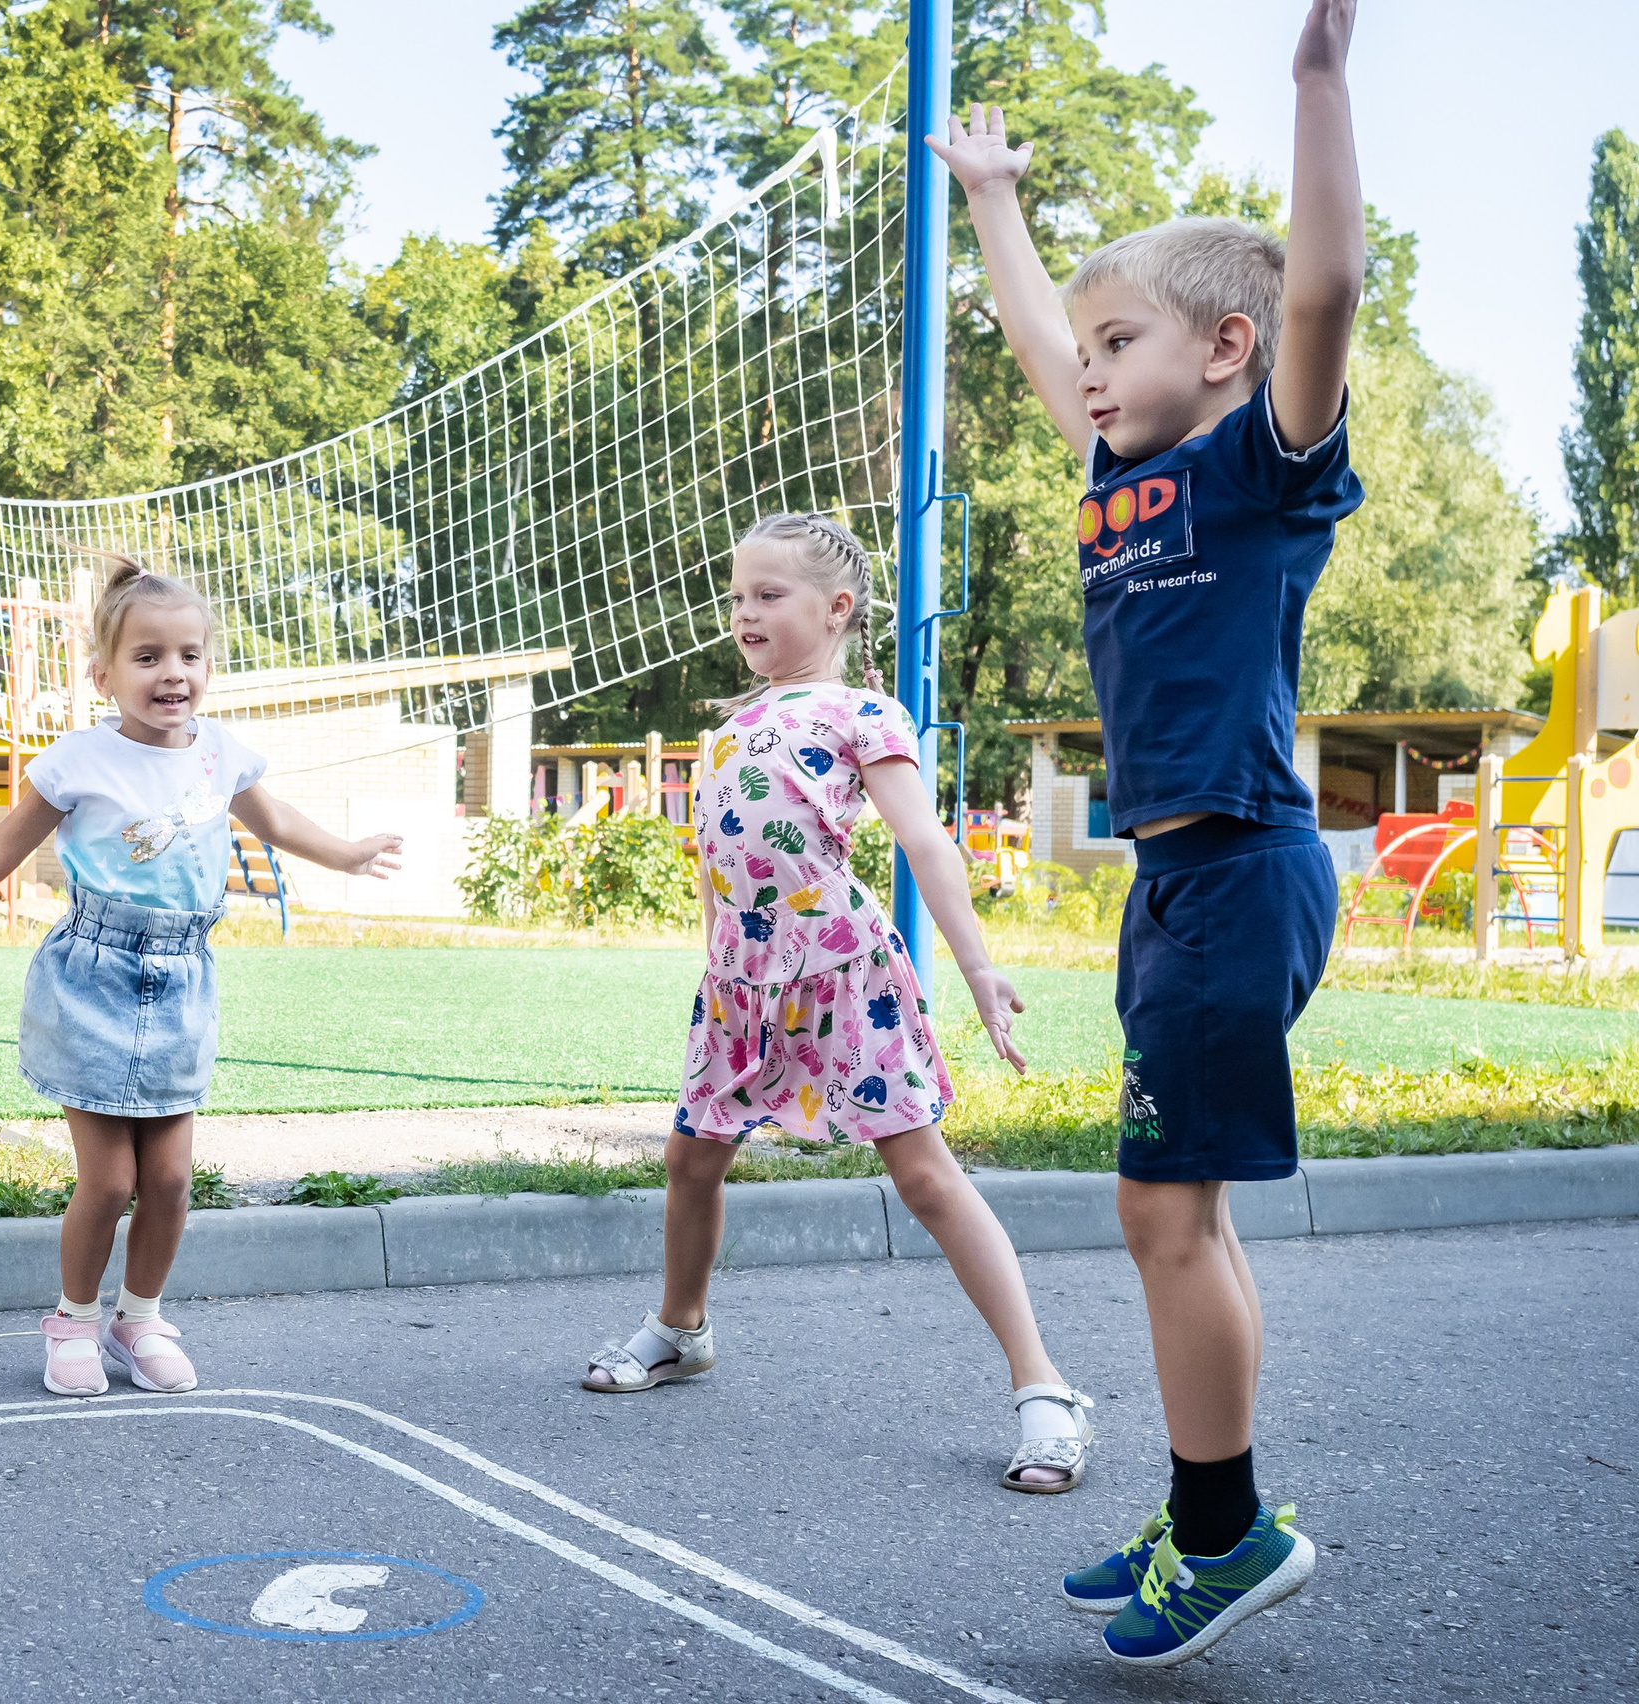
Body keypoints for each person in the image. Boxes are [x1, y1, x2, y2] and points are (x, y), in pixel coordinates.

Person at [927, 0, 1362, 1666]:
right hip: (1178, 877)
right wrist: (992, 201)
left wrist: (1317, 83)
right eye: (1092, 352)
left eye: (1124, 344)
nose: (1087, 370)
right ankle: (1209, 1507)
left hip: (1243, 865)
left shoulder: (1260, 470)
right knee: (1172, 1211)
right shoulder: (1125, 482)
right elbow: (1045, 348)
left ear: (1225, 356)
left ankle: (1226, 1528)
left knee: (1163, 1208)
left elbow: (1318, 287)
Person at [581, 512, 1097, 1497]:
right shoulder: (731, 724)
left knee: (926, 1179)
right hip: (740, 991)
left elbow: (926, 845)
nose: (744, 612)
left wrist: (978, 968)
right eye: (737, 596)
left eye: (767, 595)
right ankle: (680, 1332)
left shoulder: (863, 716)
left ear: (837, 608)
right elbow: (716, 866)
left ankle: (1045, 1392)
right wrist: (717, 969)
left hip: (842, 979)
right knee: (692, 1160)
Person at [0, 554, 400, 1398]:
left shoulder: (222, 755)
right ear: (103, 674)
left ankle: (141, 1316)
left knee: (169, 1181)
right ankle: (74, 1319)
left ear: (210, 664)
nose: (173, 674)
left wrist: (347, 855)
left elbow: (273, 821)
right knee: (111, 1179)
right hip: (93, 975)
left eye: (190, 655)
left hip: (182, 975)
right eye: (148, 657)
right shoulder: (78, 762)